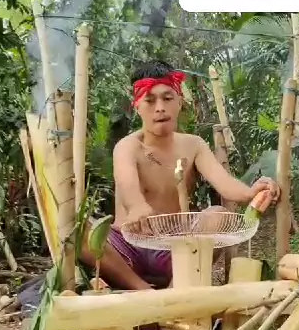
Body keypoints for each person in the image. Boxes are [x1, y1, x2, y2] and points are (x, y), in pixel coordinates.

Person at [80, 59, 280, 291]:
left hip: (175, 250)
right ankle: (144, 290)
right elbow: (127, 184)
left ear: (179, 101)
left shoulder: (194, 145)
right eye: (150, 100)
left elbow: (224, 184)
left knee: (217, 215)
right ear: (137, 106)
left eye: (167, 98)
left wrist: (251, 192)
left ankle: (176, 289)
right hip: (126, 249)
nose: (160, 108)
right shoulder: (127, 146)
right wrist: (137, 206)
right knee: (79, 231)